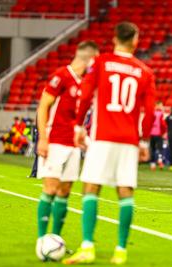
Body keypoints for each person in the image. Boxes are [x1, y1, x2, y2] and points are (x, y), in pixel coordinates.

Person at [63, 22, 155, 265]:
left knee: (91, 187)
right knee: (125, 191)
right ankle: (121, 251)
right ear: (135, 41)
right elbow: (150, 111)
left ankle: (87, 247)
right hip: (129, 140)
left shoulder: (101, 63)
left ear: (114, 38)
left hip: (103, 136)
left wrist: (79, 126)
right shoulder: (144, 71)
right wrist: (144, 140)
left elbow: (84, 94)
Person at [35, 41, 99, 253]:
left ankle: (56, 239)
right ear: (89, 59)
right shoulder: (61, 76)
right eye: (95, 61)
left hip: (73, 146)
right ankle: (42, 239)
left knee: (64, 192)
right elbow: (43, 106)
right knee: (50, 188)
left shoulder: (86, 83)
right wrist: (42, 138)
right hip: (55, 142)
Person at [149, 101, 166, 170]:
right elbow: (163, 124)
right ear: (159, 106)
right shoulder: (161, 114)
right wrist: (164, 132)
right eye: (161, 105)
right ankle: (159, 160)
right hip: (159, 134)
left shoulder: (152, 113)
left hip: (151, 133)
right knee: (160, 149)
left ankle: (152, 165)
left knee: (152, 149)